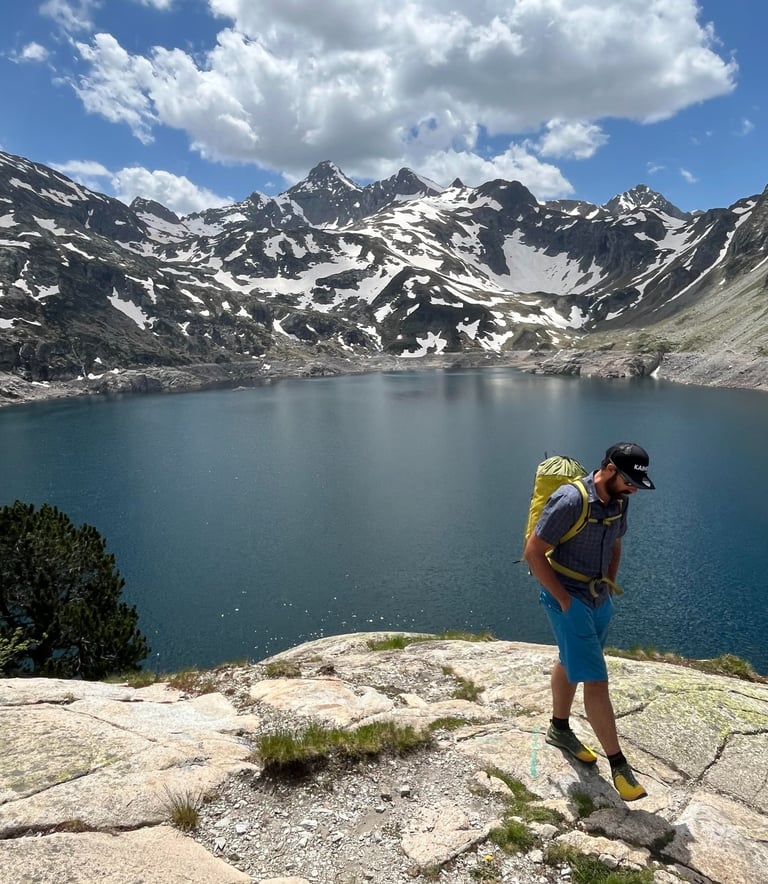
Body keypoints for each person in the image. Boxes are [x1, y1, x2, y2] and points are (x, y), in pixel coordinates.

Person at [524, 442, 655, 801]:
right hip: (568, 598)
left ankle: (559, 728)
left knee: (569, 660)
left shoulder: (619, 502)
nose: (633, 490)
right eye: (629, 481)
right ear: (610, 469)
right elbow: (533, 554)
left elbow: (614, 542)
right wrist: (565, 600)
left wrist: (609, 584)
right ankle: (619, 765)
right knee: (596, 682)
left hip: (598, 597)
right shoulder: (570, 501)